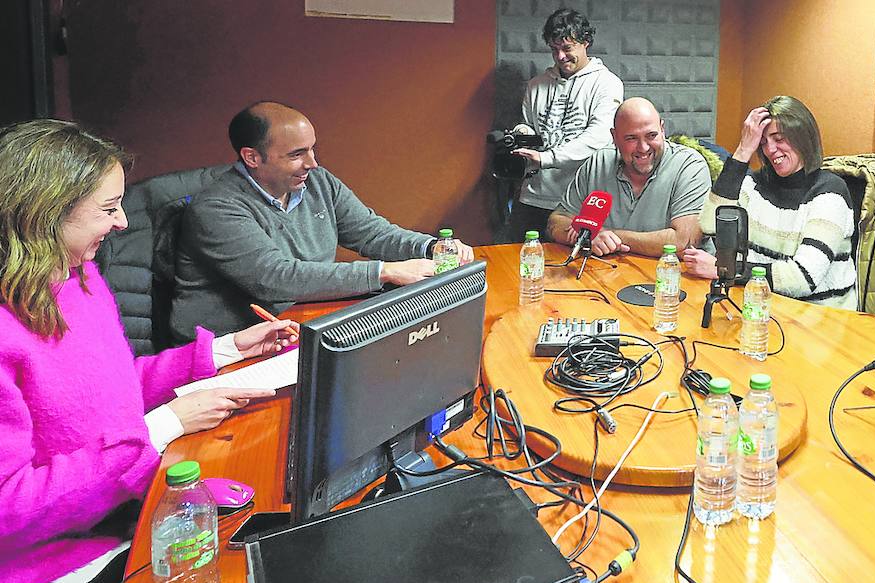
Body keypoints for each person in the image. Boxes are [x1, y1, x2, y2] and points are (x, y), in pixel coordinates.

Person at [0, 119, 296, 583]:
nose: (124, 222)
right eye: (108, 207)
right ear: (45, 212)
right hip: (26, 575)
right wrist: (159, 429)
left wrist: (225, 351)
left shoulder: (76, 276)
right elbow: (8, 511)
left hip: (102, 520)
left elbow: (103, 392)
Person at [171, 101, 472, 342]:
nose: (312, 163)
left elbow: (371, 233)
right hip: (230, 344)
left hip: (299, 322)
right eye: (296, 154)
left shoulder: (318, 182)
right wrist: (385, 272)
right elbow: (276, 278)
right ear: (252, 157)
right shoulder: (216, 208)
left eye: (312, 149)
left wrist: (431, 247)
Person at [681, 96, 857, 309]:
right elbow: (710, 225)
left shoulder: (830, 193)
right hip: (764, 307)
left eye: (779, 138)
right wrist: (743, 151)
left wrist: (726, 269)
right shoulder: (755, 183)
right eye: (763, 142)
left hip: (820, 319)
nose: (770, 150)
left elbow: (802, 278)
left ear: (802, 137)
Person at [502, 7, 623, 243]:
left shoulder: (607, 84)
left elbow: (599, 137)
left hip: (578, 201)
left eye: (567, 48)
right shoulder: (536, 85)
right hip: (534, 197)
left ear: (585, 42)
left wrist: (546, 158)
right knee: (521, 264)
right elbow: (531, 127)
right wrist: (523, 134)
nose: (560, 56)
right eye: (554, 49)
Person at [548, 97, 710, 257]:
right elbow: (556, 222)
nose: (643, 148)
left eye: (651, 135)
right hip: (611, 274)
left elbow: (683, 242)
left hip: (671, 276)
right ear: (614, 137)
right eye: (631, 138)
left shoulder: (690, 166)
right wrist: (585, 236)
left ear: (662, 129)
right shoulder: (599, 162)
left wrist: (606, 235)